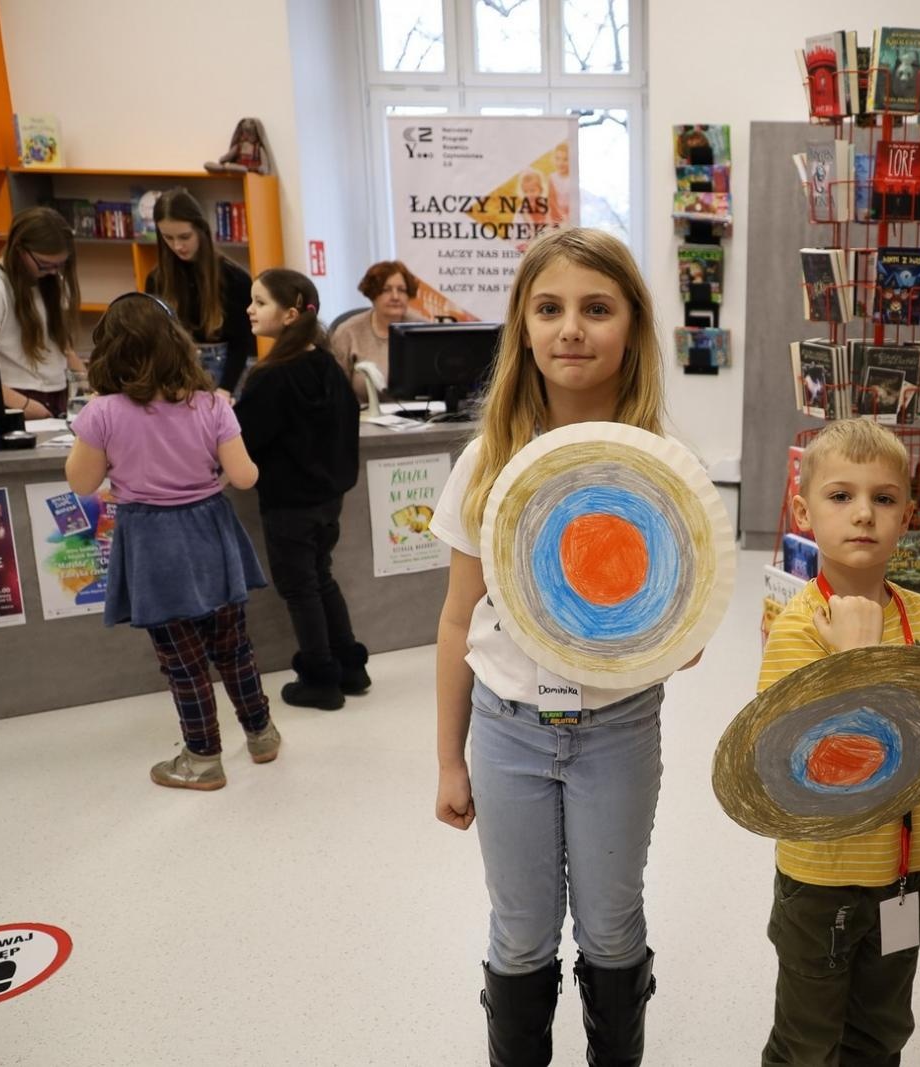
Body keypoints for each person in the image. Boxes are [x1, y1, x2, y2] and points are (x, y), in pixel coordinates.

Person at [430, 228, 695, 1067]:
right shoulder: (487, 463)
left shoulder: (666, 469)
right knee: (520, 930)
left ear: (632, 330)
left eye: (596, 308)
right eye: (549, 308)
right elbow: (453, 621)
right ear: (523, 329)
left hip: (617, 727)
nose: (570, 328)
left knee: (613, 924)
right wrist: (449, 760)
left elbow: (682, 633)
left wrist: (665, 635)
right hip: (506, 727)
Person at [755, 419, 920, 1066]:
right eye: (840, 495)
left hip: (906, 873)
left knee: (881, 1033)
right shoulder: (796, 630)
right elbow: (814, 775)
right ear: (803, 510)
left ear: (907, 516)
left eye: (882, 499)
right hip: (820, 884)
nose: (862, 515)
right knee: (806, 1042)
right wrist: (856, 658)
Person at [64, 292, 277, 791]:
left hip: (152, 542)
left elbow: (81, 483)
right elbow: (244, 476)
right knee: (234, 648)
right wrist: (210, 483)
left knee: (183, 663)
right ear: (177, 345)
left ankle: (203, 759)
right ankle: (262, 734)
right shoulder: (210, 404)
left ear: (111, 350)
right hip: (212, 533)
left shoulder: (102, 413)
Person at [234, 268, 366, 710]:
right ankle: (349, 665)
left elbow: (242, 441)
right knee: (320, 577)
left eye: (260, 302)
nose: (249, 310)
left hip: (289, 503)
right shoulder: (327, 365)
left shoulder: (271, 377)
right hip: (329, 500)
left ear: (290, 314)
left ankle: (321, 678)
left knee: (300, 587)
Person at [0, 206, 83, 418]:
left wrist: (86, 387)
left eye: (60, 265)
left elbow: (63, 347)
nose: (53, 271)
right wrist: (22, 405)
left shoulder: (54, 281)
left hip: (58, 395)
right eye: (44, 264)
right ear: (19, 249)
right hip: (12, 399)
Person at [143, 187, 255, 395]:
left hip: (228, 374)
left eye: (185, 236)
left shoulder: (235, 278)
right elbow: (158, 338)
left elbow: (243, 343)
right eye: (168, 238)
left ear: (201, 230)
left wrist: (226, 388)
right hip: (180, 374)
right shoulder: (156, 280)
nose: (177, 246)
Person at [327, 260, 427, 402]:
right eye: (386, 290)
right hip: (364, 418)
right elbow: (334, 391)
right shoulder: (348, 332)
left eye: (401, 290)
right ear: (372, 294)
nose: (395, 297)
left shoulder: (424, 329)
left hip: (422, 418)